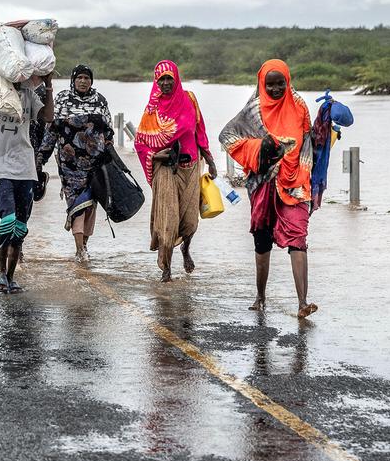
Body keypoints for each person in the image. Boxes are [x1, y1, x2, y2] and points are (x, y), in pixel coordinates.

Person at [219, 59, 317, 318]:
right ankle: (260, 297)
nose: (275, 89)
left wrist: (306, 174)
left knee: (298, 237)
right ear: (262, 83)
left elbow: (308, 141)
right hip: (262, 183)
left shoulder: (299, 106)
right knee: (262, 241)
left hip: (295, 182)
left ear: (288, 81)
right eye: (270, 84)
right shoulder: (253, 110)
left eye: (280, 83)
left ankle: (302, 302)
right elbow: (228, 136)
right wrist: (260, 148)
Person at [0, 52, 54, 294]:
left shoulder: (28, 95)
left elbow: (48, 117)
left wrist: (47, 85)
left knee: (20, 226)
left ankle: (12, 276)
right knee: (7, 220)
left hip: (24, 166)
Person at [133, 60, 216, 283]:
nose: (166, 83)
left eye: (170, 78)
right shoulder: (153, 109)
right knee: (167, 220)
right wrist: (155, 156)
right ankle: (166, 269)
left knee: (190, 222)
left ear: (176, 78)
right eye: (162, 79)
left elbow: (200, 129)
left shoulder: (189, 99)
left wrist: (210, 158)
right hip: (166, 169)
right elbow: (141, 143)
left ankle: (185, 249)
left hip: (190, 167)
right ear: (156, 81)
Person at [36, 64, 113, 263]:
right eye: (79, 77)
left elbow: (109, 132)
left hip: (94, 165)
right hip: (69, 166)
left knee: (91, 206)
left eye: (87, 78)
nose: (83, 81)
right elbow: (51, 130)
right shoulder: (62, 99)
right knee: (77, 205)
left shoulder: (100, 101)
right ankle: (80, 249)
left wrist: (110, 157)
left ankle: (84, 244)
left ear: (91, 81)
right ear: (73, 79)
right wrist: (41, 158)